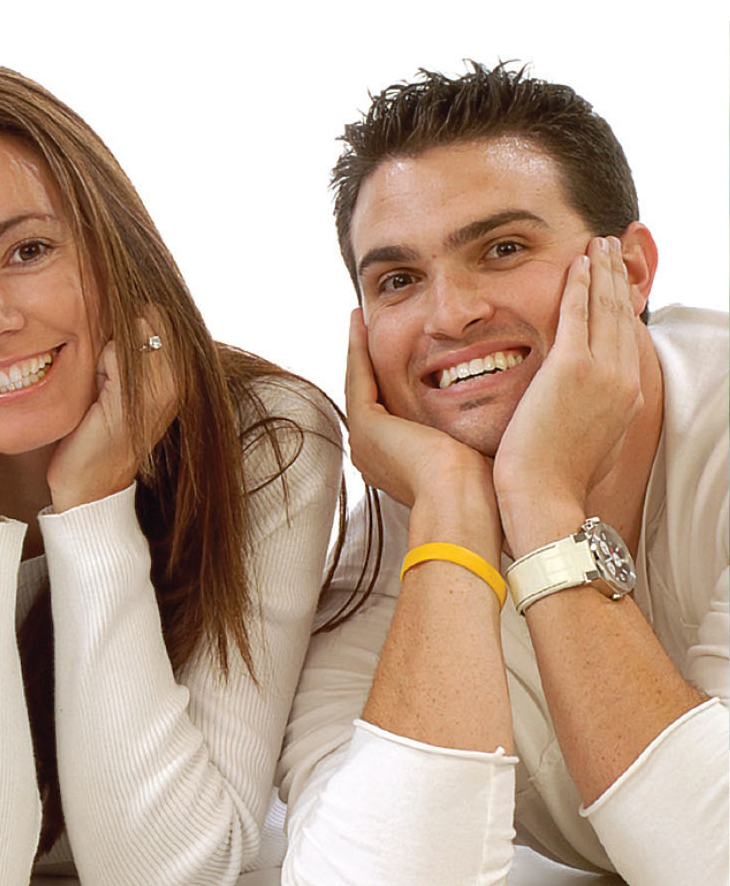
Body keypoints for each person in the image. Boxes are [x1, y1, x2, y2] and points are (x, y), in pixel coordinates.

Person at [0, 65, 345, 884]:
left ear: (113, 253)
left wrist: (96, 502)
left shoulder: (265, 441)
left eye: (28, 251)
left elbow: (171, 873)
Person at [277, 62, 728, 885]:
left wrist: (542, 503)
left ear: (629, 272)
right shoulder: (386, 557)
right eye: (399, 281)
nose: (451, 314)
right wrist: (454, 509)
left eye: (504, 249)